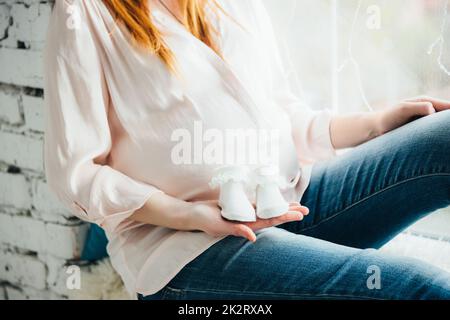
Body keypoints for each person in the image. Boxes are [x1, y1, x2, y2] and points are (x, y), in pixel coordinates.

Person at [44, 0, 450, 300]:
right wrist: (190, 215)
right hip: (186, 247)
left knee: (444, 134)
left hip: (290, 199)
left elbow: (282, 115)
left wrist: (375, 123)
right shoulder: (86, 13)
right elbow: (77, 173)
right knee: (422, 289)